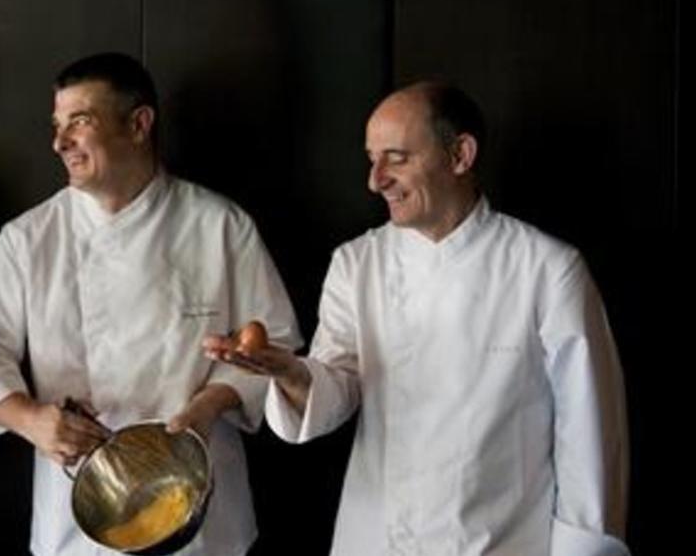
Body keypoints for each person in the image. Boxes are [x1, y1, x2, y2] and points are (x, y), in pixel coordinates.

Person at [206, 80, 629, 555]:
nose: (375, 179)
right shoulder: (357, 262)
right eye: (372, 159)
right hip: (378, 538)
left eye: (397, 158)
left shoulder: (547, 269)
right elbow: (336, 387)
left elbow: (589, 432)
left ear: (460, 155)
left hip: (506, 541)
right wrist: (290, 373)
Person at [0, 52, 299, 555]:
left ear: (139, 124)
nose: (59, 141)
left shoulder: (219, 225)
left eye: (80, 122)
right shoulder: (29, 238)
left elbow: (275, 345)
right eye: (56, 125)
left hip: (201, 505)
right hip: (79, 507)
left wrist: (208, 404)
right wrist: (30, 420)